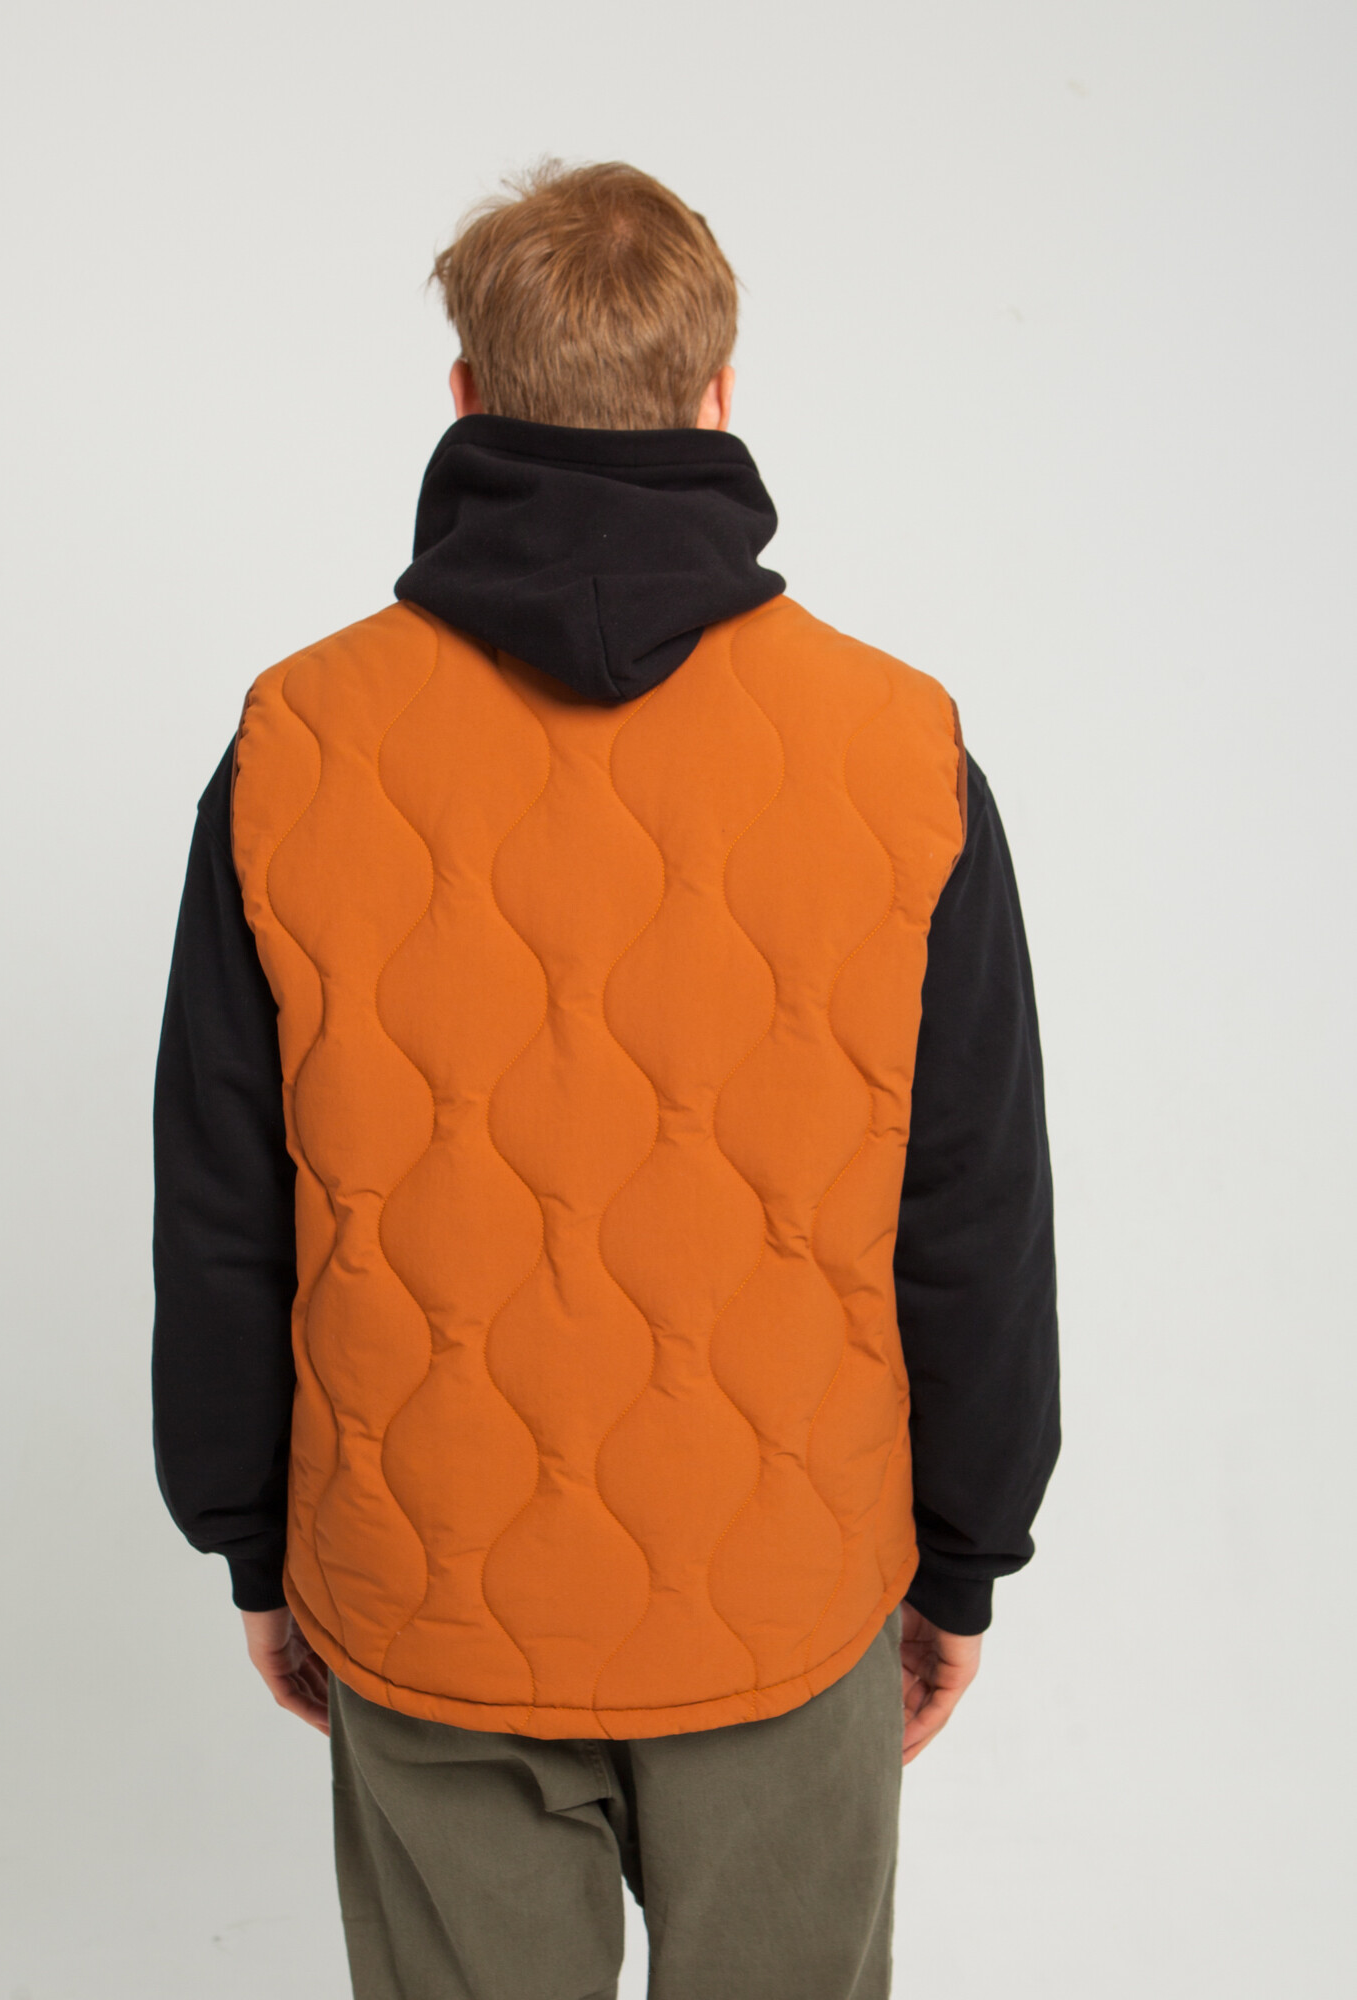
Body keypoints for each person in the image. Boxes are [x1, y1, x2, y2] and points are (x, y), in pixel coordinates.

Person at [151, 159, 1059, 2000]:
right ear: (719, 396)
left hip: (424, 1587)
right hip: (786, 1594)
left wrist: (252, 1538)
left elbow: (225, 1199)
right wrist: (964, 1557)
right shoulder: (901, 750)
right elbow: (973, 1204)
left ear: (465, 395)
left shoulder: (295, 743)